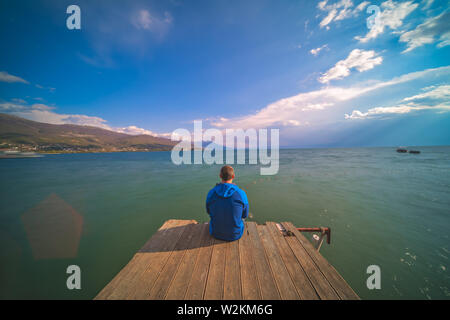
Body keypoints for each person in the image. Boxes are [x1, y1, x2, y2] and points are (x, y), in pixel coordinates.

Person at [206, 165, 249, 241]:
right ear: (233, 176)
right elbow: (245, 215)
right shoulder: (241, 193)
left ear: (220, 176)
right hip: (235, 235)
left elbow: (208, 211)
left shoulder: (211, 193)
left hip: (215, 233)